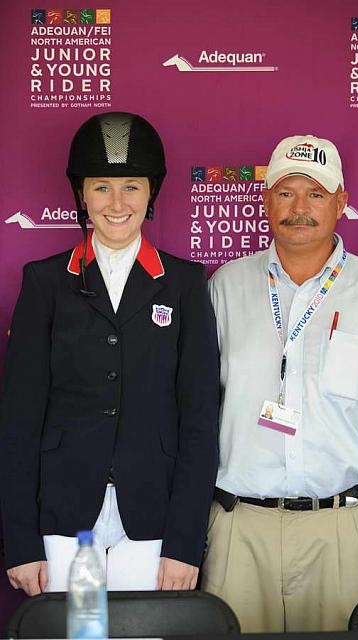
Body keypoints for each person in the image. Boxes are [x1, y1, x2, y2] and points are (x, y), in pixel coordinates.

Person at [202, 135, 358, 632]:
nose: (299, 208)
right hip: (240, 532)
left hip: (347, 533)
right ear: (265, 199)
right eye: (286, 192)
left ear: (341, 202)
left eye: (317, 194)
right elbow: (193, 414)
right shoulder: (225, 288)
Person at [0, 111, 219, 595]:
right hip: (67, 515)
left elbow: (200, 421)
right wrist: (21, 541)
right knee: (84, 631)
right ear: (81, 193)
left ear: (151, 192)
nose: (117, 203)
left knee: (143, 631)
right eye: (102, 187)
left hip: (153, 516)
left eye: (131, 186)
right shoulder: (45, 282)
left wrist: (184, 542)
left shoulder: (184, 283)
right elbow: (18, 419)